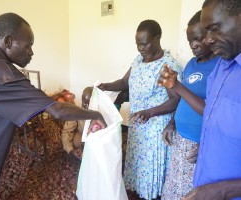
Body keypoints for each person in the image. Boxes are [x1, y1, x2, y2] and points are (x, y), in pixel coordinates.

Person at [0, 13, 106, 199]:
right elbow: (58, 111)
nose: (31, 53)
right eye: (28, 46)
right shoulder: (0, 71)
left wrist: (49, 98)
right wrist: (95, 114)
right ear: (9, 41)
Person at [158, 0, 241, 199]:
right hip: (202, 178)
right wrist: (206, 142)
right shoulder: (223, 65)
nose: (208, 40)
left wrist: (220, 191)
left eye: (214, 29)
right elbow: (213, 115)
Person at [98, 19, 183, 200]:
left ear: (157, 38)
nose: (140, 48)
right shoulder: (139, 60)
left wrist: (149, 112)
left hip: (155, 129)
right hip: (138, 125)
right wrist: (106, 86)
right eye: (137, 44)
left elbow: (176, 100)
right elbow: (123, 82)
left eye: (144, 44)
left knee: (151, 172)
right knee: (139, 169)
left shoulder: (167, 66)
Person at [160, 10, 219, 200]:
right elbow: (184, 100)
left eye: (198, 39)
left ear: (211, 37)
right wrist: (172, 123)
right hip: (180, 138)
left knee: (190, 191)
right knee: (174, 186)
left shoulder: (220, 66)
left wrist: (176, 85)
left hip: (199, 142)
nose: (193, 45)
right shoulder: (192, 64)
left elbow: (210, 111)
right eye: (189, 41)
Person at [61, 87, 93, 160]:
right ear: (82, 99)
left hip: (98, 140)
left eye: (90, 103)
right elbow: (67, 131)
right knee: (76, 141)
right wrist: (71, 150)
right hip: (83, 137)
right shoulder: (77, 112)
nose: (87, 106)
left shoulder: (102, 113)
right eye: (84, 102)